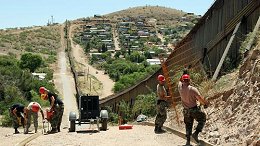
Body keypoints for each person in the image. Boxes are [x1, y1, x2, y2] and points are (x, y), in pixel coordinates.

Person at [178, 74, 209, 146]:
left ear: (183, 80)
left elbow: (179, 81)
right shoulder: (192, 89)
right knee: (203, 118)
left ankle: (188, 142)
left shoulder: (180, 87)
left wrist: (183, 75)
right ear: (189, 80)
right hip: (193, 109)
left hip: (185, 110)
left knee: (188, 125)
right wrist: (205, 104)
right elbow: (200, 99)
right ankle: (196, 133)